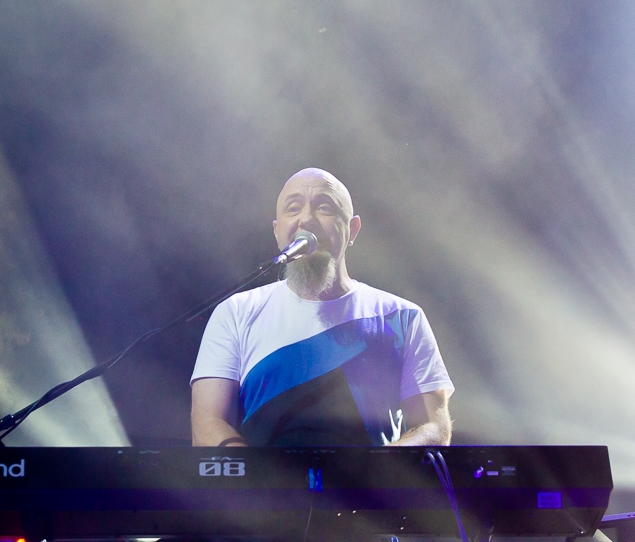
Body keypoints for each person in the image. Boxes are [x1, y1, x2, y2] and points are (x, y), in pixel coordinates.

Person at [190, 168, 453, 447]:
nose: (306, 219)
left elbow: (433, 427)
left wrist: (378, 468)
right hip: (263, 477)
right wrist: (255, 472)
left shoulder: (403, 317)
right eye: (293, 208)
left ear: (352, 229)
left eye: (324, 207)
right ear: (277, 231)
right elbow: (207, 423)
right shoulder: (235, 312)